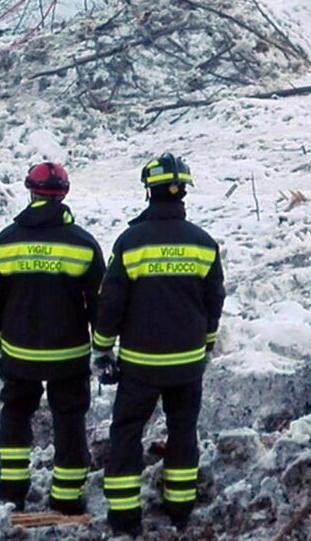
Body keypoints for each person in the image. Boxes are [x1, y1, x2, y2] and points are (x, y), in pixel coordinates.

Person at [93, 153, 224, 536]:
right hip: (187, 363)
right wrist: (207, 344)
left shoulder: (131, 242)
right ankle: (180, 508)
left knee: (127, 432)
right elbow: (214, 301)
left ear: (148, 191)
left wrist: (102, 348)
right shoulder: (203, 243)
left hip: (140, 364)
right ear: (183, 191)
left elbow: (111, 301)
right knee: (184, 431)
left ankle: (123, 515)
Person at [0, 161, 104, 514]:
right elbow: (99, 301)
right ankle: (66, 497)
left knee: (16, 413)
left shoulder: (6, 241)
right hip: (69, 355)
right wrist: (102, 345)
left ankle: (12, 490)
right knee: (69, 420)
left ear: (30, 191)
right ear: (63, 193)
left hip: (19, 352)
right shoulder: (82, 243)